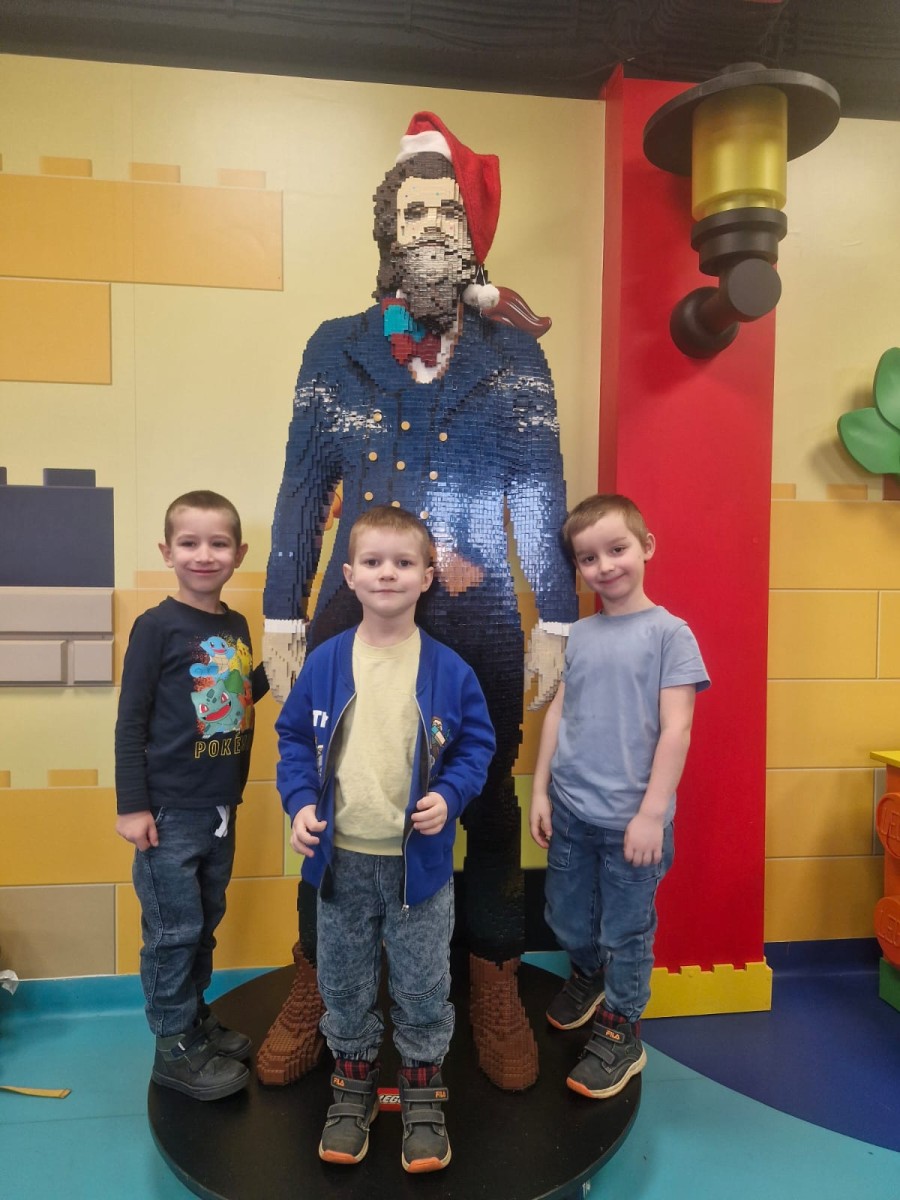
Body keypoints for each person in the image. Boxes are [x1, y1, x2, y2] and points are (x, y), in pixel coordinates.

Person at [258, 110, 577, 1092]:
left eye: (448, 209)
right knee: (332, 789)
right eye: (415, 210)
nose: (432, 225)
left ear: (471, 232)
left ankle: (491, 977)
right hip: (350, 615)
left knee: (485, 799)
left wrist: (557, 617)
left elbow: (539, 489)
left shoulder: (514, 355)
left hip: (479, 623)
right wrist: (280, 612)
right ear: (388, 231)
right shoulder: (336, 348)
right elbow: (303, 487)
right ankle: (318, 977)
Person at [276, 505, 494, 1172]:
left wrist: (450, 796)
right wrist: (298, 805)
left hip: (417, 872)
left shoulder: (449, 670)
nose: (387, 573)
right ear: (350, 575)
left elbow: (476, 747)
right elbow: (292, 740)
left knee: (424, 987)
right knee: (343, 984)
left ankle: (423, 1092)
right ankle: (353, 1086)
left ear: (427, 576)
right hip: (338, 865)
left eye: (403, 562)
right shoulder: (326, 662)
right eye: (373, 562)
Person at [529, 494, 710, 1099]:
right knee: (565, 916)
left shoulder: (670, 635)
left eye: (617, 549)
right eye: (588, 558)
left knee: (626, 932)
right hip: (572, 811)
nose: (604, 566)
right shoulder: (578, 635)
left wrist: (652, 814)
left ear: (646, 546)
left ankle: (622, 1030)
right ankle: (588, 976)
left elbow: (677, 729)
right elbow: (559, 712)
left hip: (633, 822)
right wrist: (541, 789)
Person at [114, 490, 268, 1101]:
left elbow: (236, 695)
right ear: (167, 551)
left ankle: (193, 1018)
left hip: (219, 806)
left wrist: (281, 669)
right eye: (189, 543)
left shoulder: (235, 625)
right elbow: (131, 719)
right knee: (173, 931)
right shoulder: (156, 627)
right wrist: (132, 806)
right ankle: (172, 1047)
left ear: (239, 554)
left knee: (203, 924)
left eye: (218, 543)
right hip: (169, 810)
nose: (204, 555)